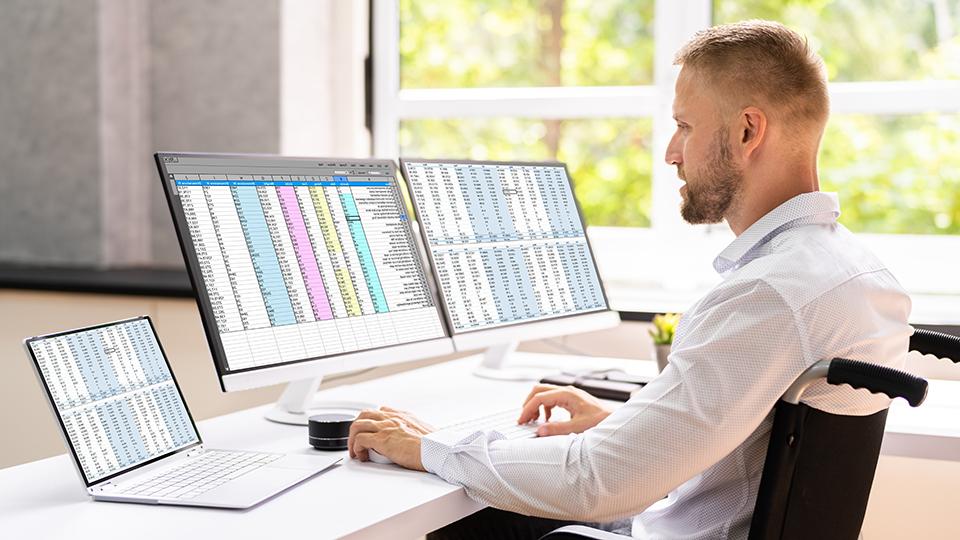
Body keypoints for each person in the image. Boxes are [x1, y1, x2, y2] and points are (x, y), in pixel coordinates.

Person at [347, 20, 912, 539]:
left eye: (684, 126)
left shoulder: (769, 294)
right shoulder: (855, 272)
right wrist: (631, 425)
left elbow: (599, 481)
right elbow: (752, 437)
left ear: (747, 131)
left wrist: (431, 447)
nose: (670, 153)